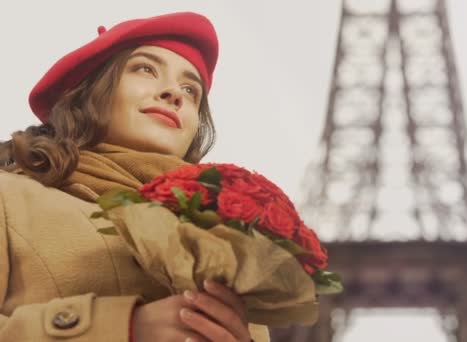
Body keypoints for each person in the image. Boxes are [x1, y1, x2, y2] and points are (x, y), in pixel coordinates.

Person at [0, 12, 269, 342]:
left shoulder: (225, 249)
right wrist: (124, 327)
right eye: (146, 69)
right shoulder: (9, 198)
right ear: (92, 91)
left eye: (191, 90)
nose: (174, 93)